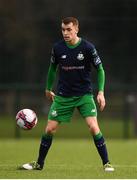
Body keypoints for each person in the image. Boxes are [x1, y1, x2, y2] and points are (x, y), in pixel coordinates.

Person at [21, 17, 114, 172]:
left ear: (76, 29)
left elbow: (100, 70)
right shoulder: (57, 48)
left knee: (93, 127)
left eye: (69, 29)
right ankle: (39, 164)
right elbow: (52, 69)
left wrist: (102, 92)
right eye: (63, 29)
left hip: (84, 95)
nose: (65, 32)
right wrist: (47, 88)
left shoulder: (88, 47)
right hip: (63, 96)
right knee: (49, 129)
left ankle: (107, 163)